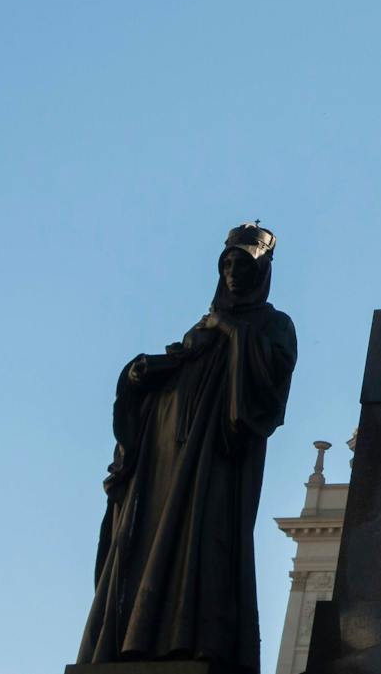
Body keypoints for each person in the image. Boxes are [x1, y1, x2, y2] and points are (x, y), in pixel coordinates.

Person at [78, 223, 297, 674]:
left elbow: (263, 397)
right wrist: (142, 375)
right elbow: (180, 368)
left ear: (264, 270)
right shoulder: (203, 324)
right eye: (228, 264)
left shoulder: (274, 325)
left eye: (244, 264)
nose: (234, 273)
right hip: (165, 463)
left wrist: (231, 330)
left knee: (205, 547)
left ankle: (193, 640)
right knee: (147, 544)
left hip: (214, 464)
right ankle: (138, 638)